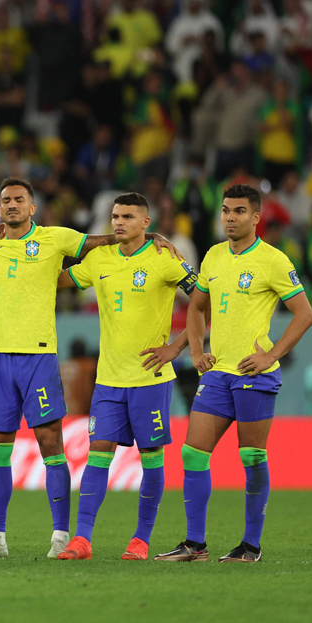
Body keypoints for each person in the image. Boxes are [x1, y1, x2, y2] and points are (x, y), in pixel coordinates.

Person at [0, 178, 178, 558]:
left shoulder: (56, 238)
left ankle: (59, 537)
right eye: (5, 200)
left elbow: (100, 240)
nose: (11, 205)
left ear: (32, 207)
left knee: (50, 444)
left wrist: (147, 233)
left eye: (19, 199)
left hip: (38, 357)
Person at [156, 184, 312, 563]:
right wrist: (195, 349)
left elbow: (305, 314)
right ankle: (195, 545)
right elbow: (196, 309)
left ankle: (251, 547)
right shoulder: (213, 256)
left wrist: (271, 354)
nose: (229, 217)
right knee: (193, 454)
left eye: (239, 211)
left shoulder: (273, 260)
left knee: (252, 457)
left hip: (254, 374)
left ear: (256, 217)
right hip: (218, 373)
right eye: (226, 210)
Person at [53, 193, 199, 561]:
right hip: (109, 380)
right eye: (115, 216)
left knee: (151, 457)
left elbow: (205, 300)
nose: (118, 222)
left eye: (128, 217)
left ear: (146, 223)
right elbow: (55, 281)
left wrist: (177, 347)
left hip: (150, 378)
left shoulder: (165, 259)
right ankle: (82, 539)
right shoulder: (99, 258)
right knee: (98, 454)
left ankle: (141, 540)